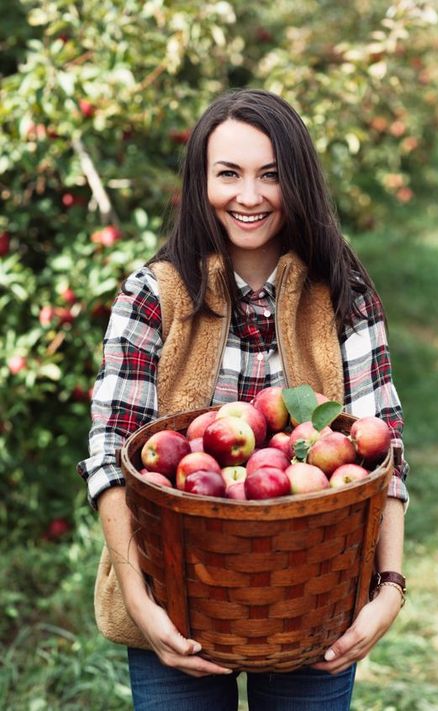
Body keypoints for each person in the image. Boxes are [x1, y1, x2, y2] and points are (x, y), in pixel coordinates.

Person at [77, 88, 409, 711]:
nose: (249, 196)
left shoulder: (343, 295)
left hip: (312, 592)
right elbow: (109, 455)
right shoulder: (155, 296)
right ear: (200, 181)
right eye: (228, 173)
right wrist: (140, 604)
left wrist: (388, 585)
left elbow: (383, 446)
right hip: (174, 594)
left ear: (299, 183)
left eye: (272, 175)